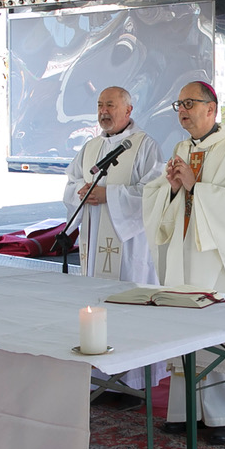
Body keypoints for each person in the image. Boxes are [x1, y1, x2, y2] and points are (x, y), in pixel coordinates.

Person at [142, 80, 225, 445]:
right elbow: (160, 198)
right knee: (186, 332)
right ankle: (186, 412)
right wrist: (169, 186)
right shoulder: (181, 147)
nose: (182, 110)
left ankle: (223, 416)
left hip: (217, 261)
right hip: (185, 255)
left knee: (218, 334)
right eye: (178, 104)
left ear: (211, 110)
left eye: (190, 103)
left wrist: (198, 186)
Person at [63, 86, 166, 394]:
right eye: (99, 105)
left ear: (128, 110)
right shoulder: (91, 146)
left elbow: (154, 190)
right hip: (96, 243)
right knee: (97, 304)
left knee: (128, 306)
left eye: (110, 105)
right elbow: (71, 182)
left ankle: (133, 380)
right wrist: (81, 191)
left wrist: (109, 195)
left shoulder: (145, 145)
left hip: (130, 245)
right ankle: (102, 379)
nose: (103, 111)